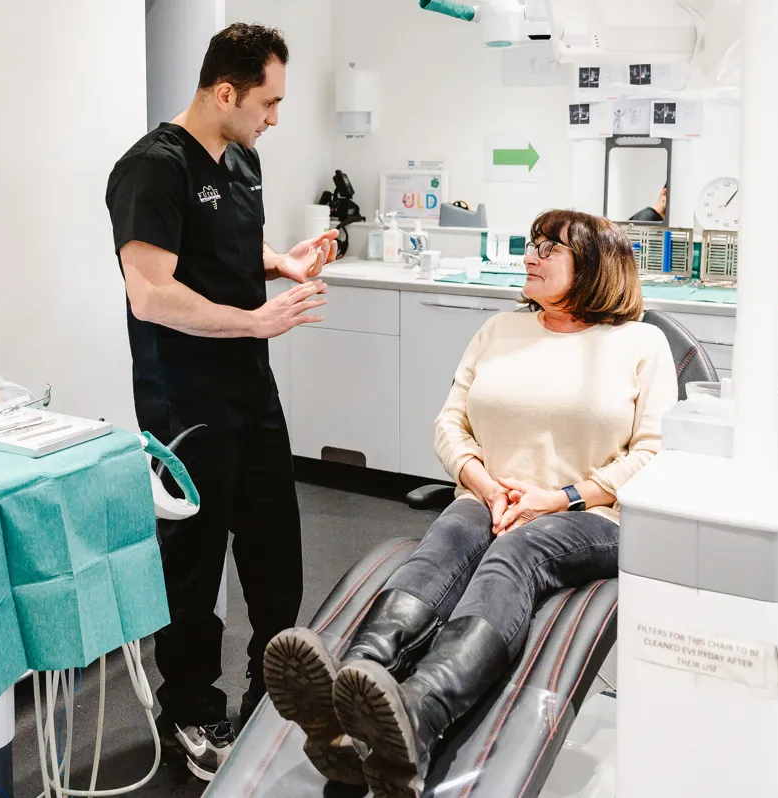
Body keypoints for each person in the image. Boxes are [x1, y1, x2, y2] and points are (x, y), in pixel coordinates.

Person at [262, 210, 677, 796]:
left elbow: (655, 453)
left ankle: (421, 712)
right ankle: (354, 683)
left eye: (548, 249)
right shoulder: (499, 331)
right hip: (489, 494)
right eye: (531, 245)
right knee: (452, 536)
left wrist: (557, 498)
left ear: (594, 266)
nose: (529, 256)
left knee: (518, 553)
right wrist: (481, 483)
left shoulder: (640, 344)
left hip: (590, 515)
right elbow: (451, 423)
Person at [104, 23, 338, 781]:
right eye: (267, 101)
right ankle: (190, 710)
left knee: (274, 546)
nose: (275, 116)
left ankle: (274, 688)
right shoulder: (152, 169)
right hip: (186, 396)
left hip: (250, 386)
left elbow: (227, 255)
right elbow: (150, 293)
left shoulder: (244, 159)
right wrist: (252, 321)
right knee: (194, 562)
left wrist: (282, 264)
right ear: (224, 91)